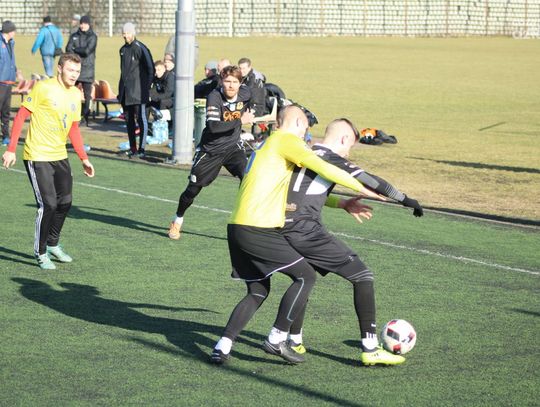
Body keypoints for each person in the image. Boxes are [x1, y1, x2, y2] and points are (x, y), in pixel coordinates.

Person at [209, 106, 384, 365]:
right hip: (258, 228)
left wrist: (340, 203)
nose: (306, 136)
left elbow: (296, 191)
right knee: (305, 276)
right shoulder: (286, 140)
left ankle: (222, 346)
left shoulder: (265, 145)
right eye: (306, 129)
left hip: (236, 226)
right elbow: (326, 168)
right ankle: (277, 337)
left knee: (258, 291)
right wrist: (363, 187)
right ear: (298, 123)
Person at [278, 118, 424, 366]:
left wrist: (342, 203)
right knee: (362, 275)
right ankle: (370, 348)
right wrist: (406, 199)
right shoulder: (331, 157)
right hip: (305, 229)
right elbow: (372, 181)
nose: (348, 153)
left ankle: (294, 340)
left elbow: (302, 193)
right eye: (350, 147)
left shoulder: (305, 152)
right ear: (344, 139)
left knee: (304, 278)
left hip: (282, 226)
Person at [2, 53, 95, 270]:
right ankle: (41, 252)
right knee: (48, 205)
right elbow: (21, 116)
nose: (74, 75)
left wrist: (84, 158)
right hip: (37, 155)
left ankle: (53, 244)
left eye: (77, 71)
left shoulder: (75, 94)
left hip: (59, 155)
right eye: (70, 70)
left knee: (66, 202)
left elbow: (73, 128)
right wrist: (11, 149)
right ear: (60, 69)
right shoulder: (43, 88)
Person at [167, 65, 253, 240]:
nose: (231, 85)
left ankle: (244, 222)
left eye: (235, 82)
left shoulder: (245, 93)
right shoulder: (214, 97)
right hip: (211, 151)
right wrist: (240, 121)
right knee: (193, 190)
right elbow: (214, 127)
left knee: (249, 179)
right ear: (221, 81)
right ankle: (177, 220)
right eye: (227, 81)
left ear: (240, 83)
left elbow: (254, 96)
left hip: (233, 148)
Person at [118, 22, 154, 158]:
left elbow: (150, 69)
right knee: (129, 121)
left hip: (139, 92)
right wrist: (121, 91)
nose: (125, 35)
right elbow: (123, 73)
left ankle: (142, 150)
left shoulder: (140, 48)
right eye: (124, 33)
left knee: (141, 119)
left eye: (127, 33)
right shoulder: (122, 50)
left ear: (133, 33)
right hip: (126, 93)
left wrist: (146, 88)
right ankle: (133, 148)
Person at [66, 15, 98, 126]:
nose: (82, 25)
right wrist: (76, 50)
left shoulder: (93, 37)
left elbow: (87, 51)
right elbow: (68, 49)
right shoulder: (74, 36)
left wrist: (75, 49)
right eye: (81, 23)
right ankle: (72, 115)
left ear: (88, 24)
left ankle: (85, 117)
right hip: (74, 69)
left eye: (84, 23)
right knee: (71, 92)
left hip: (87, 70)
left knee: (87, 96)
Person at [0, 20, 22, 146]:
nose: (15, 33)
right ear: (9, 31)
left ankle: (5, 136)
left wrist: (16, 71)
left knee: (6, 111)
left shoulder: (11, 43)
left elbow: (10, 60)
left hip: (8, 82)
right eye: (13, 30)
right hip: (0, 82)